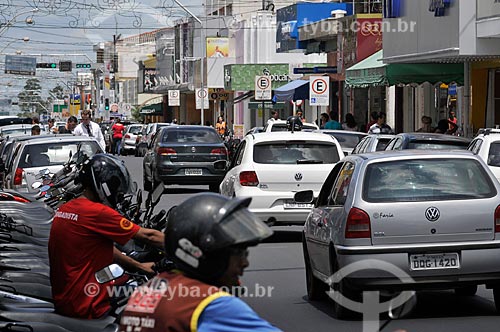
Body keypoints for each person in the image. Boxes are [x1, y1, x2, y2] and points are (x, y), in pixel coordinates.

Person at [119, 193, 282, 332]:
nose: (244, 262)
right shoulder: (214, 306)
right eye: (238, 253)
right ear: (209, 254)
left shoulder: (146, 291)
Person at [48, 154, 165, 319]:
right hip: (88, 305)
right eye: (116, 186)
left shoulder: (66, 209)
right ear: (104, 184)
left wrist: (138, 266)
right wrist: (186, 245)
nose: (118, 192)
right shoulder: (97, 212)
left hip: (67, 299)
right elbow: (148, 236)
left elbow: (99, 250)